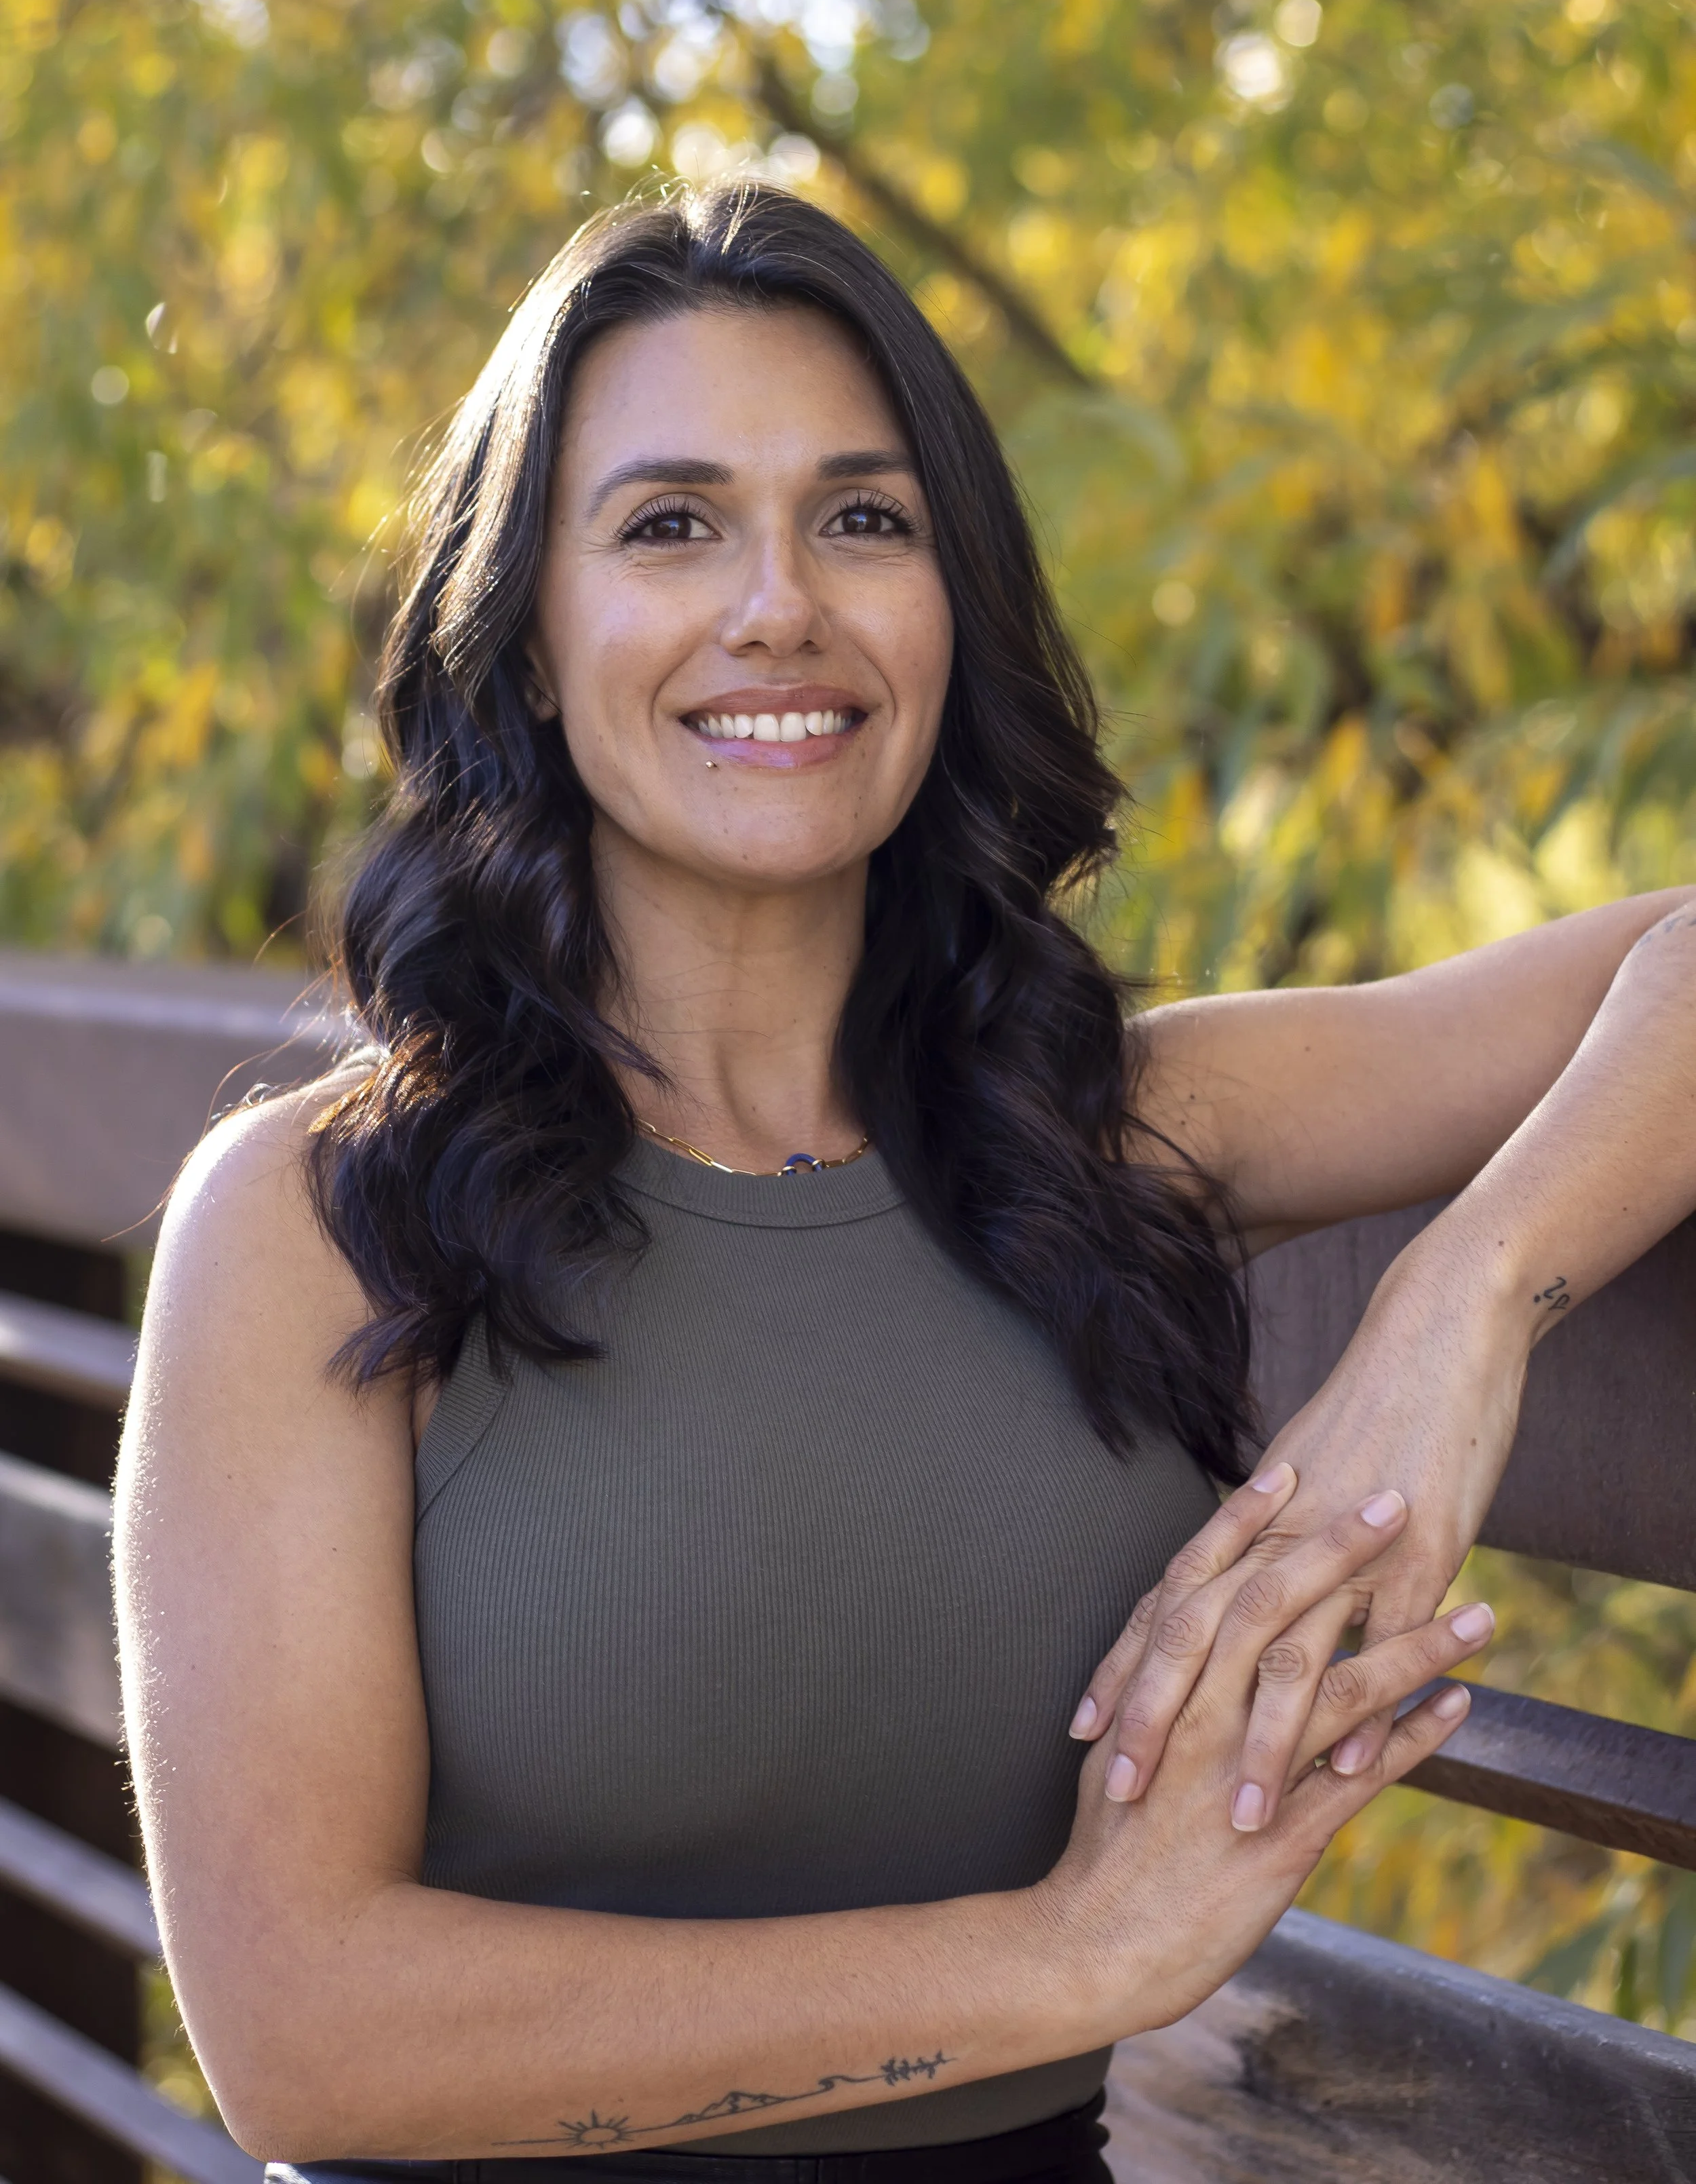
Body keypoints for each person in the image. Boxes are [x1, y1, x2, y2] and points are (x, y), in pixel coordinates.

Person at [115, 185, 1696, 2184]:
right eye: (668, 523)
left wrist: (1463, 1303)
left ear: (952, 606)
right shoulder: (315, 1216)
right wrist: (1062, 1959)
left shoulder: (1114, 1128)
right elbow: (306, 2036)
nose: (777, 602)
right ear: (521, 637)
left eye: (863, 518)